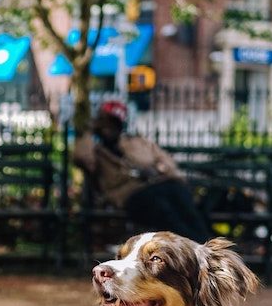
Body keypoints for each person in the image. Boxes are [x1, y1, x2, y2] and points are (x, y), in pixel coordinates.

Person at [74, 100, 211, 243]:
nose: (108, 127)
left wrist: (160, 169)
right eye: (105, 121)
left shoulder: (136, 143)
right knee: (162, 209)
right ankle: (194, 246)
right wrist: (89, 132)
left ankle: (202, 245)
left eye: (113, 122)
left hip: (159, 185)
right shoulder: (95, 151)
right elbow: (80, 157)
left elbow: (165, 161)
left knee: (182, 198)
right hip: (130, 195)